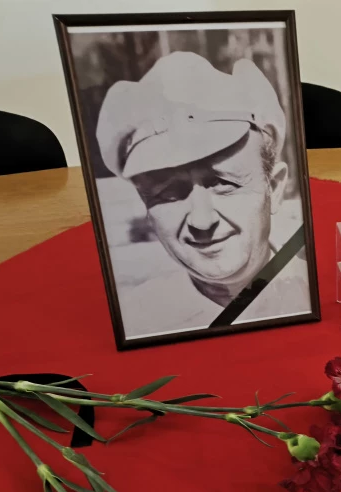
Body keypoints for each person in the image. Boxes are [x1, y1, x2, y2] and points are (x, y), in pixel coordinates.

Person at [95, 51, 311, 339]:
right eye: (168, 193)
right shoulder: (137, 321)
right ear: (147, 209)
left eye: (223, 183)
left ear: (274, 187)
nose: (202, 220)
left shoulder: (317, 293)